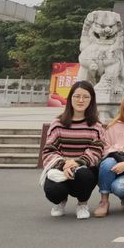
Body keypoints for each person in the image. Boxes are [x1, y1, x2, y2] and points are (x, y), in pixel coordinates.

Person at [41, 81, 105, 220]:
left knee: (84, 175)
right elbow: (49, 150)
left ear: (92, 100)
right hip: (60, 169)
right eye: (77, 96)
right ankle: (60, 201)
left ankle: (82, 203)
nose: (81, 100)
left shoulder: (96, 126)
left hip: (83, 169)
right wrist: (64, 165)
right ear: (70, 98)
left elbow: (96, 151)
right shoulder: (57, 124)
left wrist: (76, 163)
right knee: (53, 191)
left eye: (85, 97)